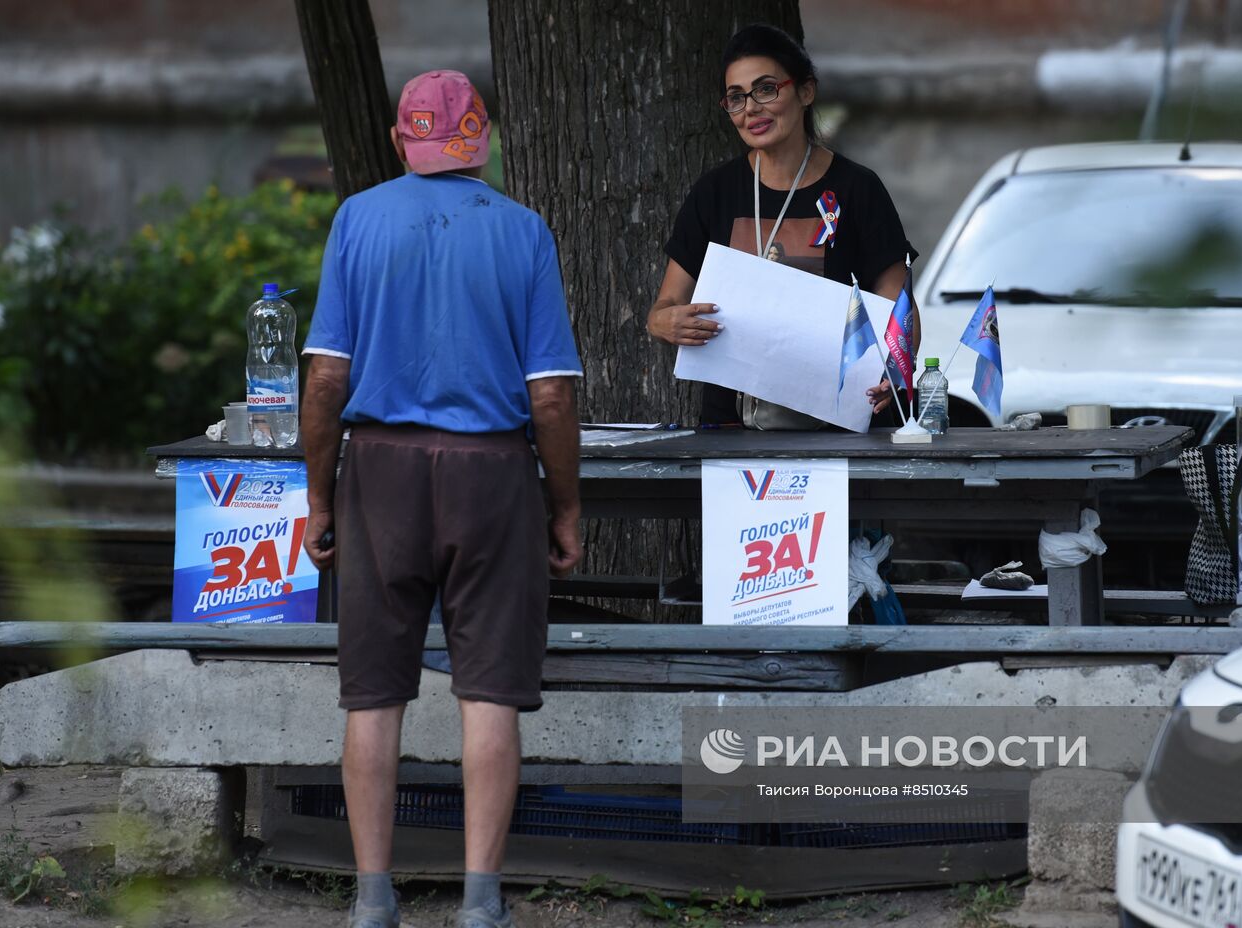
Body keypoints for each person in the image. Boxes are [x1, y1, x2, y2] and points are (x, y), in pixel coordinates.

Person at [300, 70, 584, 928]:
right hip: (492, 477)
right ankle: (481, 903)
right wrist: (563, 506)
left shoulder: (356, 221)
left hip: (377, 471)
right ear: (483, 137)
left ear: (400, 139)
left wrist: (321, 497)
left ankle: (372, 899)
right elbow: (552, 398)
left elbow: (324, 380)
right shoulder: (525, 232)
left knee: (372, 694)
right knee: (489, 693)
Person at [647, 23, 920, 425]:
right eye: (736, 98)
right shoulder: (714, 193)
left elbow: (901, 313)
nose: (751, 108)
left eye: (766, 89)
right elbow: (663, 308)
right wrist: (667, 323)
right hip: (731, 429)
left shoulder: (858, 189)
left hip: (840, 430)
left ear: (805, 91)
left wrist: (894, 371)